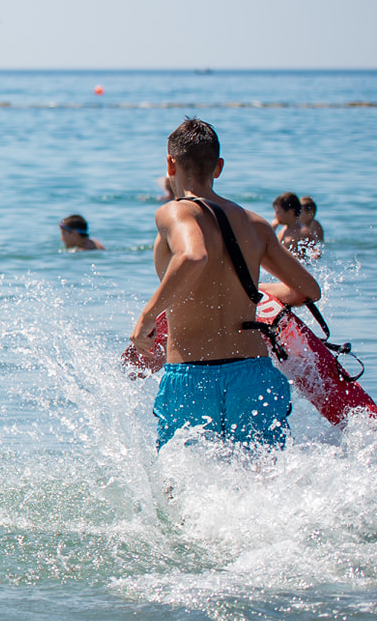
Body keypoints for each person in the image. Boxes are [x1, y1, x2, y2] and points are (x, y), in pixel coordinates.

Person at [128, 118, 322, 448]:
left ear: (170, 164)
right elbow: (307, 291)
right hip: (253, 374)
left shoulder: (174, 212)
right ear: (218, 167)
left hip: (191, 378)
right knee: (262, 484)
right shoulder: (256, 223)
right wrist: (252, 292)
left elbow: (193, 256)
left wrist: (148, 314)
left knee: (183, 492)